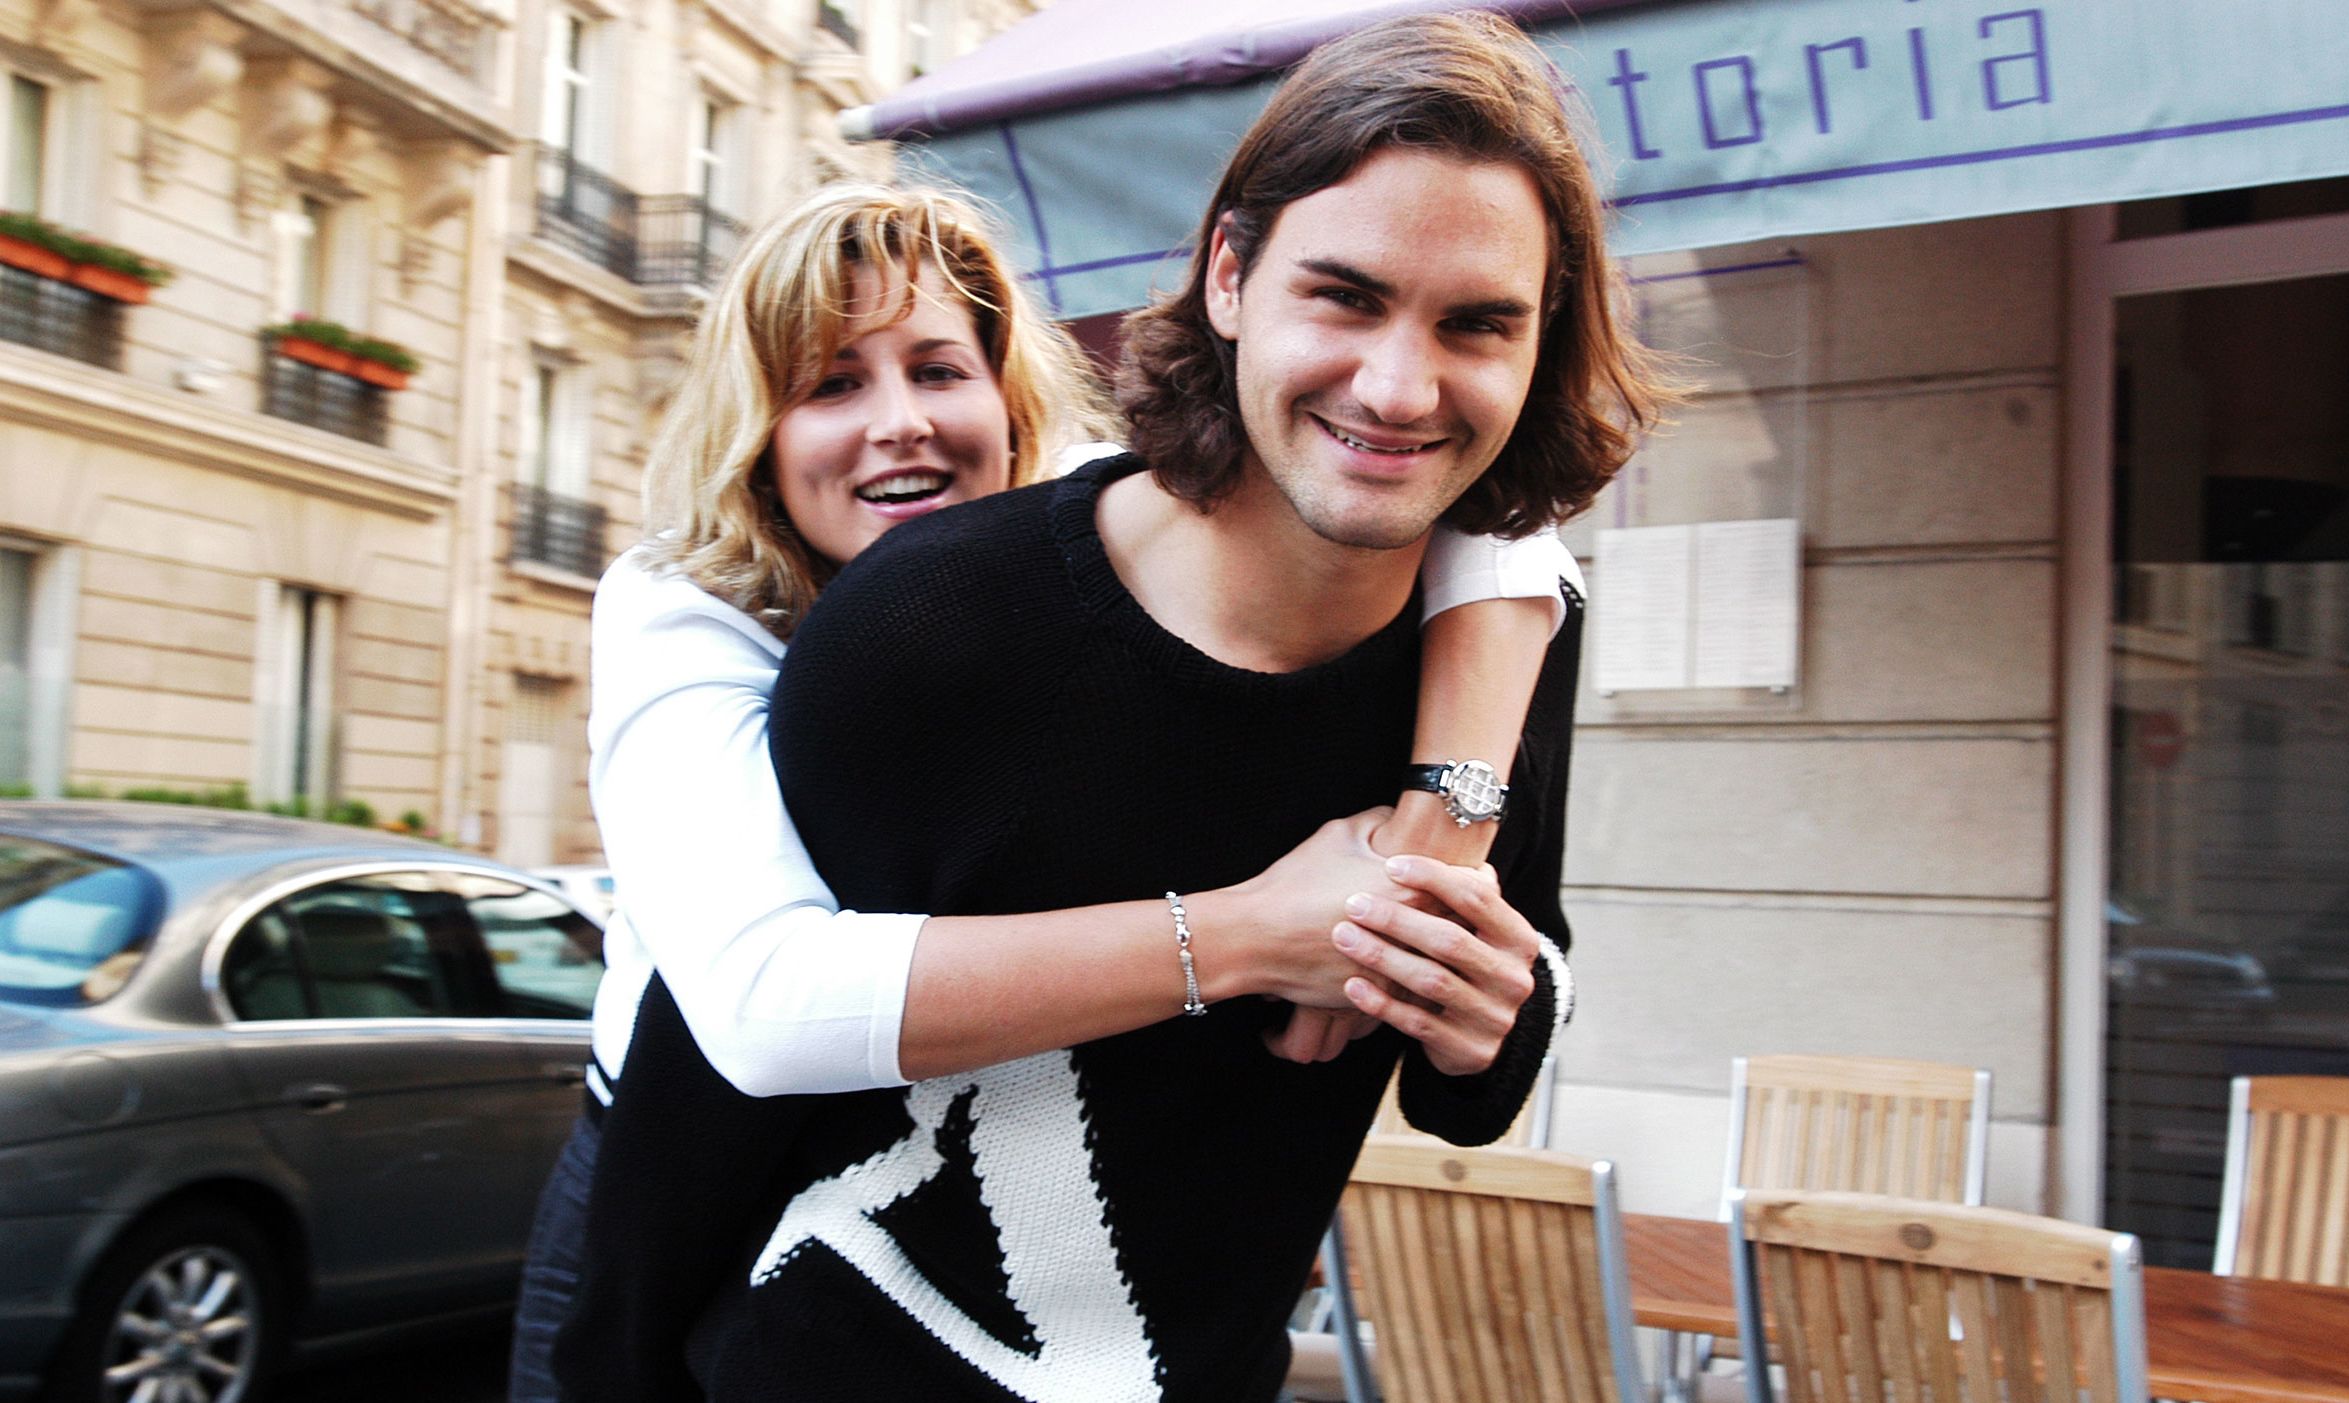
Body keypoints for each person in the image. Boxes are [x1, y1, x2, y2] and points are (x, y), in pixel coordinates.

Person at [555, 12, 1674, 1400]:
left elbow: (1482, 1054)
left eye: (1476, 323)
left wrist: (1461, 936)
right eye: (1341, 295)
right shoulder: (863, 625)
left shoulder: (1487, 632)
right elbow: (734, 1053)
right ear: (1228, 277)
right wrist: (1260, 935)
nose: (1396, 384)